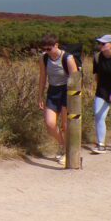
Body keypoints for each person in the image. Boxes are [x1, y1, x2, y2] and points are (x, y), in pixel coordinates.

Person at [37, 34, 79, 164]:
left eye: (49, 49)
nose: (46, 52)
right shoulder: (44, 58)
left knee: (66, 125)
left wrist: (74, 99)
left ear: (56, 45)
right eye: (44, 49)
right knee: (50, 123)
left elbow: (75, 79)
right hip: (53, 91)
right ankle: (62, 145)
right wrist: (40, 95)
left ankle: (67, 152)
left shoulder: (68, 58)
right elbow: (43, 77)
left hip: (67, 91)